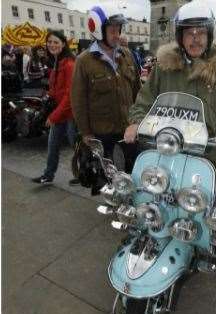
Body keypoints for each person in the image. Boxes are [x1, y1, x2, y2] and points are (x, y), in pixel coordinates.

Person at [123, 2, 216, 284]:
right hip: (169, 149)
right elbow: (145, 99)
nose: (195, 38)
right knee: (153, 191)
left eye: (200, 32)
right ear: (180, 37)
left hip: (211, 152)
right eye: (188, 32)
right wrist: (136, 121)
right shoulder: (165, 67)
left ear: (208, 35)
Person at [71, 4, 141, 173]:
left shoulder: (127, 55)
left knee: (134, 173)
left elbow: (138, 92)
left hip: (129, 132)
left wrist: (139, 122)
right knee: (108, 180)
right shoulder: (84, 61)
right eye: (112, 30)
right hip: (103, 135)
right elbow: (78, 100)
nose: (117, 35)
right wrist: (86, 134)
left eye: (119, 29)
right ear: (97, 29)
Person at [32, 31, 77, 185]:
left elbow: (70, 95)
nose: (52, 44)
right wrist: (49, 95)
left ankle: (85, 174)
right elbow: (57, 89)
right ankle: (48, 175)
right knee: (52, 145)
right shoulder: (58, 61)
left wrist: (53, 116)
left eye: (55, 42)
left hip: (71, 113)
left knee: (77, 147)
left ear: (63, 44)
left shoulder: (69, 63)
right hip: (61, 111)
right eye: (49, 42)